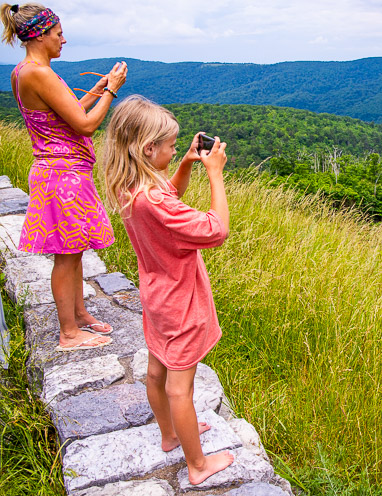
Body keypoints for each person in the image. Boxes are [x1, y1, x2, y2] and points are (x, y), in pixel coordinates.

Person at [103, 95, 234, 484]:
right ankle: (198, 465)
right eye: (172, 146)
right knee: (181, 387)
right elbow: (217, 229)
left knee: (156, 371)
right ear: (148, 149)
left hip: (156, 297)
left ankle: (170, 435)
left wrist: (183, 165)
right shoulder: (154, 201)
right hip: (181, 302)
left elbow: (169, 199)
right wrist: (215, 173)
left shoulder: (133, 187)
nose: (177, 149)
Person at [1, 3, 127, 351]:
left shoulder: (25, 70)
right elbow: (85, 124)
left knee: (74, 251)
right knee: (66, 254)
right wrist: (113, 90)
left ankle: (80, 314)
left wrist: (98, 91)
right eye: (58, 34)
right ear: (41, 35)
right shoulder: (37, 73)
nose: (64, 40)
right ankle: (69, 333)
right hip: (62, 175)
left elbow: (70, 112)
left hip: (61, 172)